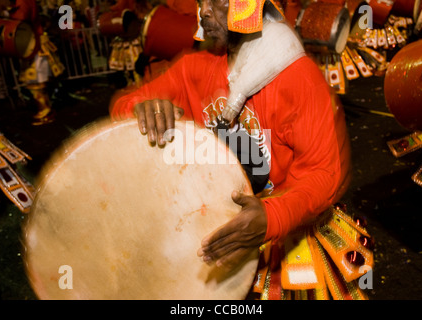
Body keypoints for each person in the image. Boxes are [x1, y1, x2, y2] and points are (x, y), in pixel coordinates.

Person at [111, 0, 373, 300]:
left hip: (289, 244)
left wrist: (273, 217)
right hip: (213, 237)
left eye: (217, 1)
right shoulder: (193, 68)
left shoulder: (299, 78)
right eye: (201, 2)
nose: (204, 11)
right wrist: (140, 109)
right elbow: (123, 106)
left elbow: (325, 172)